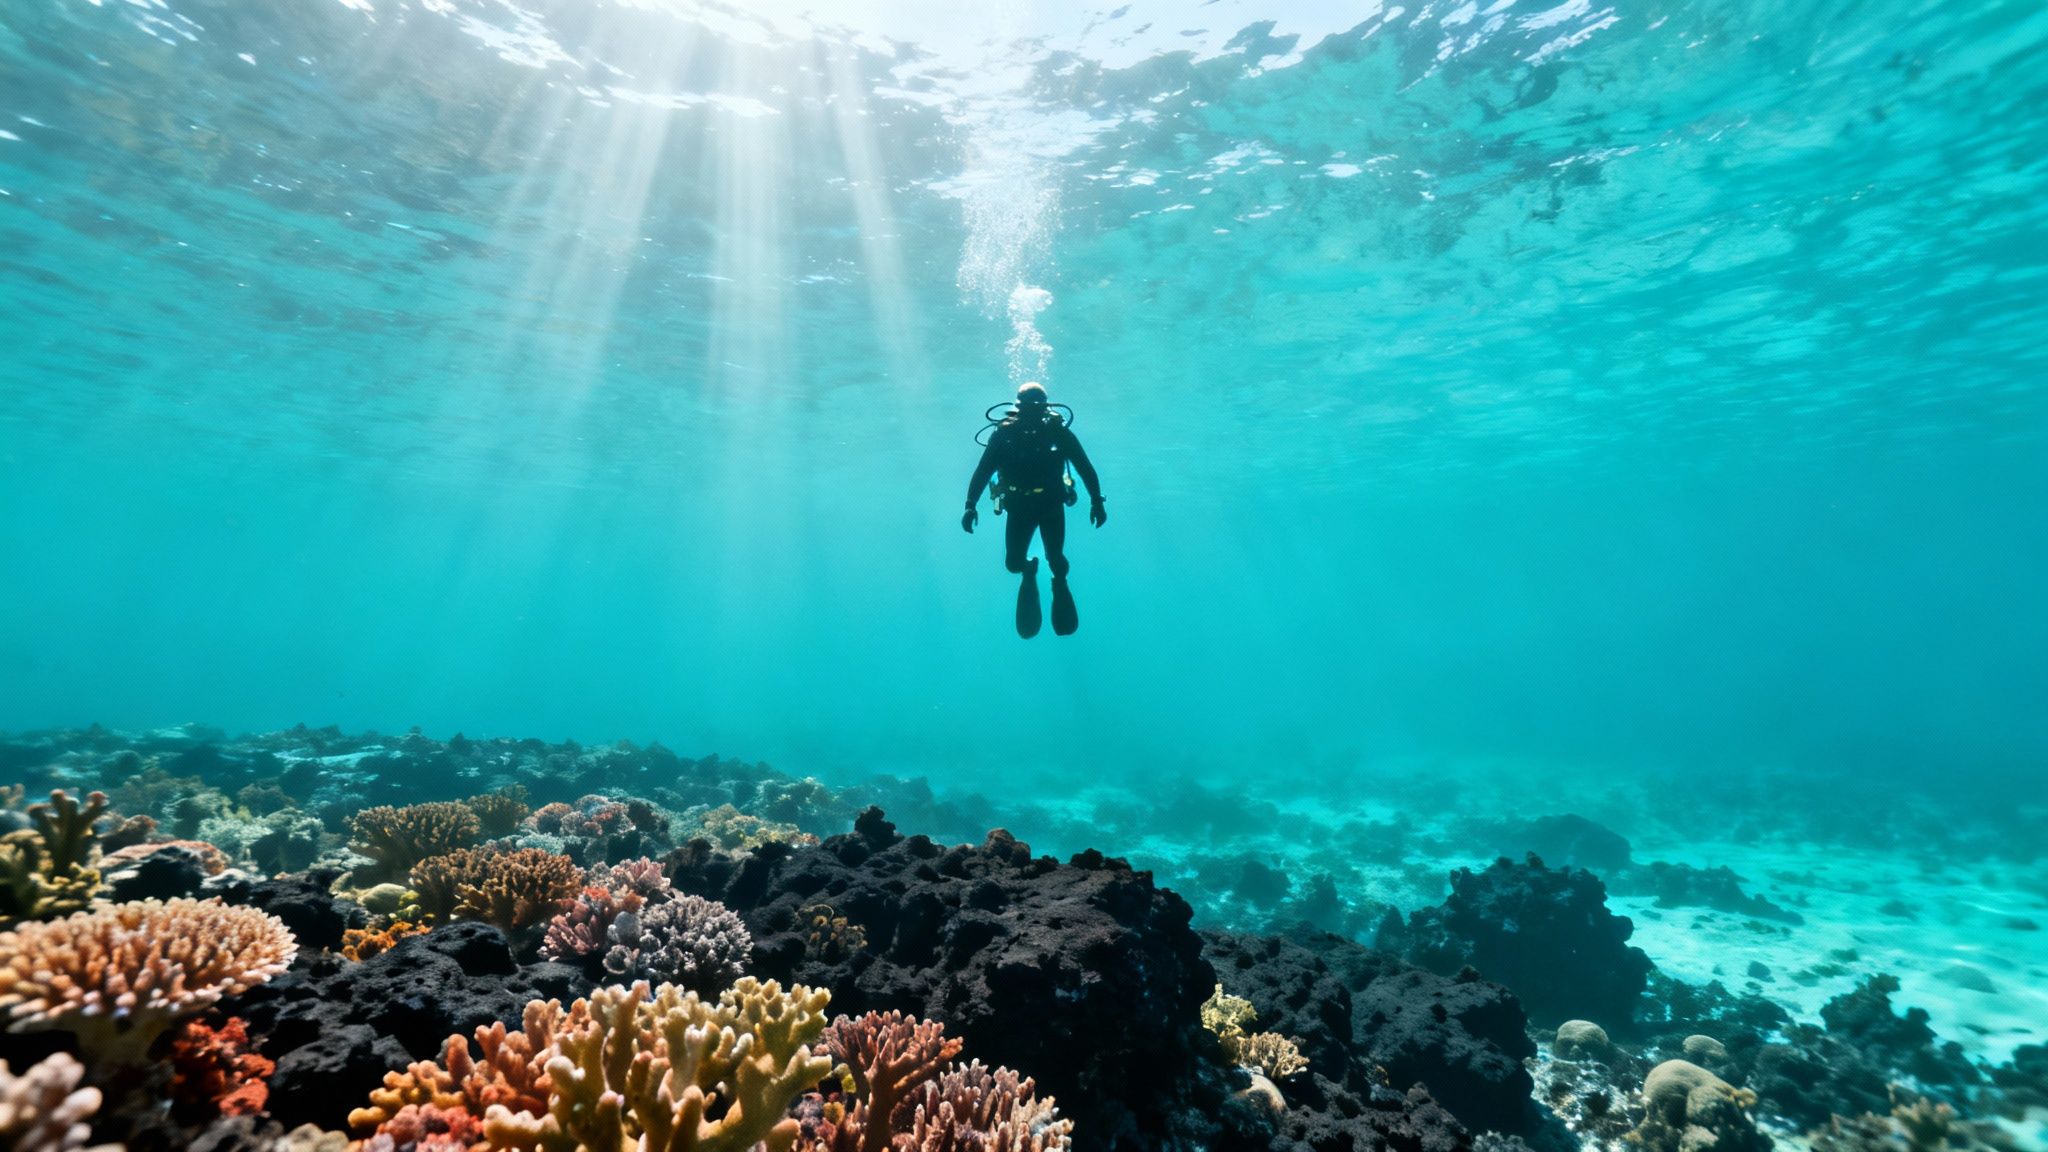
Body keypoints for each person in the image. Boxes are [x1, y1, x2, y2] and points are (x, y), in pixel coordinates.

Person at [962, 382, 1105, 637]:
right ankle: (1029, 570)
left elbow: (1084, 466)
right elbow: (983, 472)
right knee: (1013, 563)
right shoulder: (1003, 436)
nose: (1031, 415)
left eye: (1036, 410)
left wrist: (1097, 500)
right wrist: (970, 505)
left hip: (1050, 504)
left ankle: (1058, 580)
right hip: (1019, 507)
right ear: (1018, 409)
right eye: (1027, 409)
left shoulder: (1058, 434)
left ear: (1045, 410)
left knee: (1057, 560)